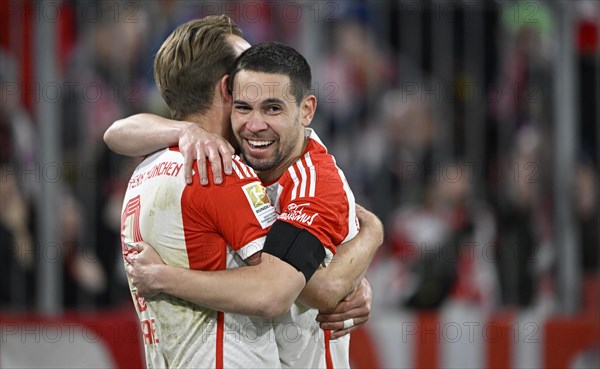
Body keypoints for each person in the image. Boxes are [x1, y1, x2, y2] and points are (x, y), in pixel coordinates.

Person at [111, 16, 382, 368]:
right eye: (245, 101)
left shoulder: (147, 168)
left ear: (306, 111)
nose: (255, 123)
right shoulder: (220, 166)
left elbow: (307, 288)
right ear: (229, 88)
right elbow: (116, 132)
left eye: (272, 107)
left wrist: (368, 239)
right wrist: (185, 131)